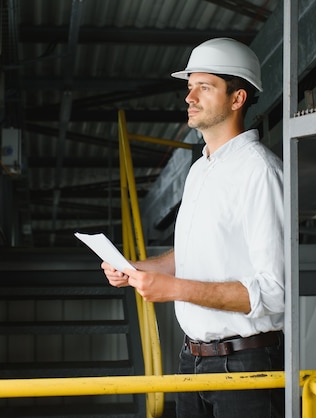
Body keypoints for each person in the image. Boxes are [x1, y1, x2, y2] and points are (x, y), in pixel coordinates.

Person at [101, 37, 285, 418]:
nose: (190, 97)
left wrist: (174, 290)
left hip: (246, 367)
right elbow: (191, 256)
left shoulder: (260, 171)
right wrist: (135, 267)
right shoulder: (200, 169)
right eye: (190, 87)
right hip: (193, 362)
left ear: (237, 99)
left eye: (205, 87)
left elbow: (276, 292)